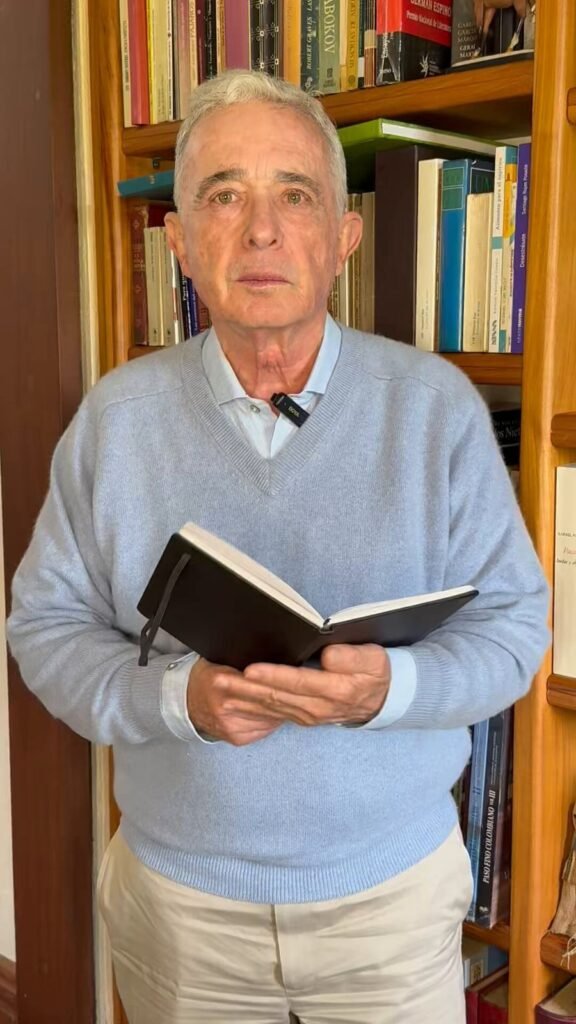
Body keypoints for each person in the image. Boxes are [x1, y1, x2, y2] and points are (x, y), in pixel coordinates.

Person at [7, 70, 549, 1024]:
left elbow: (515, 629)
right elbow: (45, 630)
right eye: (224, 195)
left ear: (343, 237)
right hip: (180, 907)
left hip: (389, 902)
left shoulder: (437, 412)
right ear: (180, 242)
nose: (261, 230)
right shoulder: (115, 422)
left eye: (295, 195)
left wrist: (390, 690)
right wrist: (177, 700)